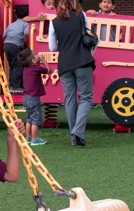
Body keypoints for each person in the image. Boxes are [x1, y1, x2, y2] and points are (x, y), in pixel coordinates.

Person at [49, 0, 95, 146]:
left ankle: (74, 137)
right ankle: (78, 131)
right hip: (83, 61)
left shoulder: (54, 22)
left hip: (64, 64)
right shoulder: (81, 15)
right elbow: (88, 35)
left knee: (69, 99)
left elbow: (52, 47)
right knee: (85, 98)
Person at [18, 48, 52, 145]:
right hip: (34, 98)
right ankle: (34, 139)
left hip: (26, 98)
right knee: (35, 120)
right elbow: (49, 70)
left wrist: (38, 60)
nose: (38, 55)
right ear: (33, 61)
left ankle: (28, 137)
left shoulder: (26, 68)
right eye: (36, 54)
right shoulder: (36, 68)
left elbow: (35, 67)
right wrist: (43, 60)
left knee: (29, 119)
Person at [3, 5, 29, 93]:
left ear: (16, 15)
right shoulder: (25, 24)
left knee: (12, 66)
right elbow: (26, 34)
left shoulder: (11, 24)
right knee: (18, 66)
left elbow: (4, 35)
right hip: (15, 45)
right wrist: (28, 43)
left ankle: (11, 85)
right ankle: (14, 87)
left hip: (6, 44)